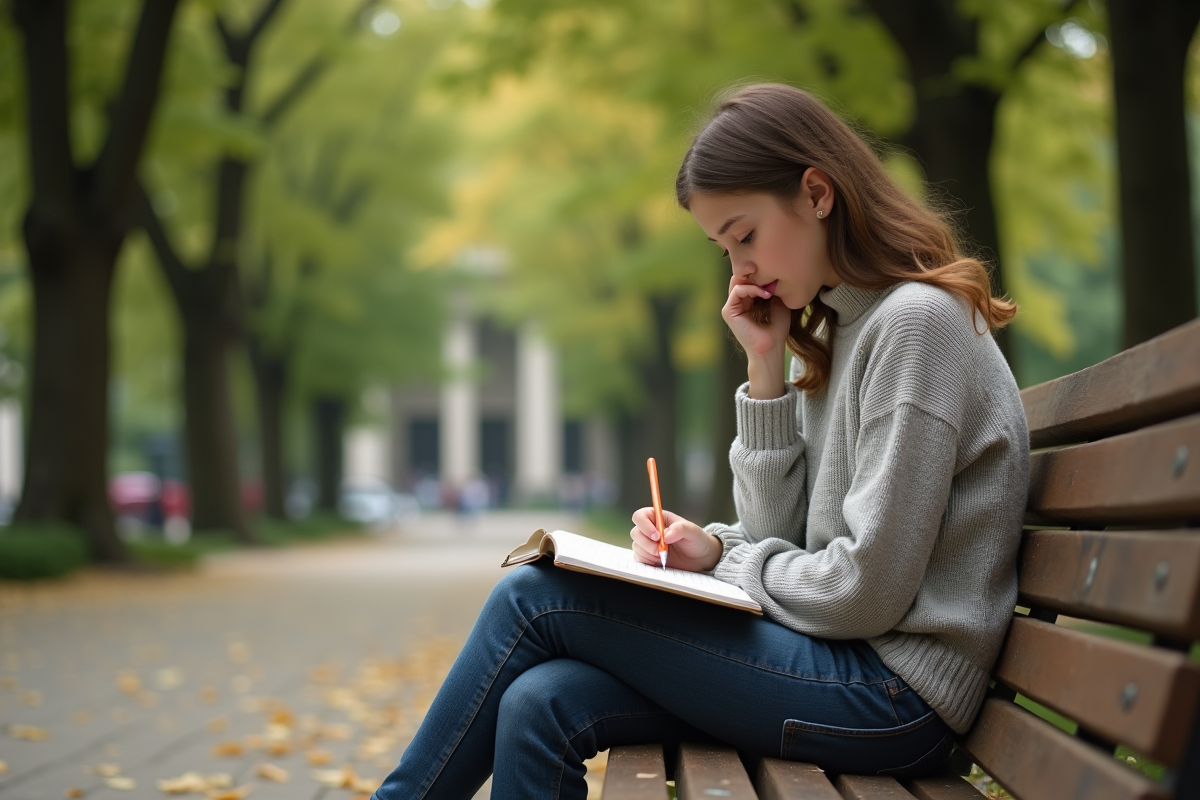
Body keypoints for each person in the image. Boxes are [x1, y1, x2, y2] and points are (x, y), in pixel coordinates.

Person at [371, 83, 1029, 800]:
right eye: (723, 248)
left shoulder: (916, 325)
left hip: (895, 697)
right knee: (541, 702)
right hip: (842, 665)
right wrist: (765, 372)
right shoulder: (847, 330)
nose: (739, 271)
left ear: (817, 193)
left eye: (744, 235)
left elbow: (861, 592)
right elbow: (791, 539)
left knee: (538, 596)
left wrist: (731, 562)